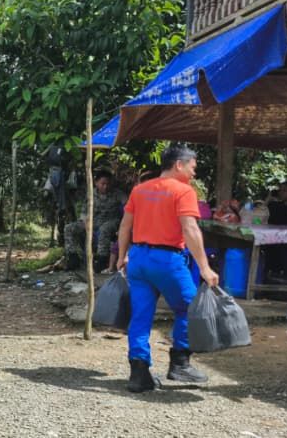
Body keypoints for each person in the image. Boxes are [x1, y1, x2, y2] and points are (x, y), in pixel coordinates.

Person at [117, 143, 219, 393]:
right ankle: (180, 364)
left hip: (138, 259)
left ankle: (139, 374)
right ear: (179, 165)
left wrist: (122, 256)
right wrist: (205, 267)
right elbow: (190, 229)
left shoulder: (139, 190)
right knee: (189, 308)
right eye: (193, 167)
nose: (194, 173)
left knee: (141, 316)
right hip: (167, 260)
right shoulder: (183, 191)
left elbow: (124, 226)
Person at [64, 170, 127, 271]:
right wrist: (85, 222)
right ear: (96, 182)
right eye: (103, 183)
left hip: (111, 221)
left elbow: (127, 206)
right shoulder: (91, 194)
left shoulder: (117, 194)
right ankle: (73, 258)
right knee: (69, 228)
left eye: (108, 184)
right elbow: (84, 211)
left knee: (104, 229)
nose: (105, 186)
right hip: (93, 221)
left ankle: (102, 260)